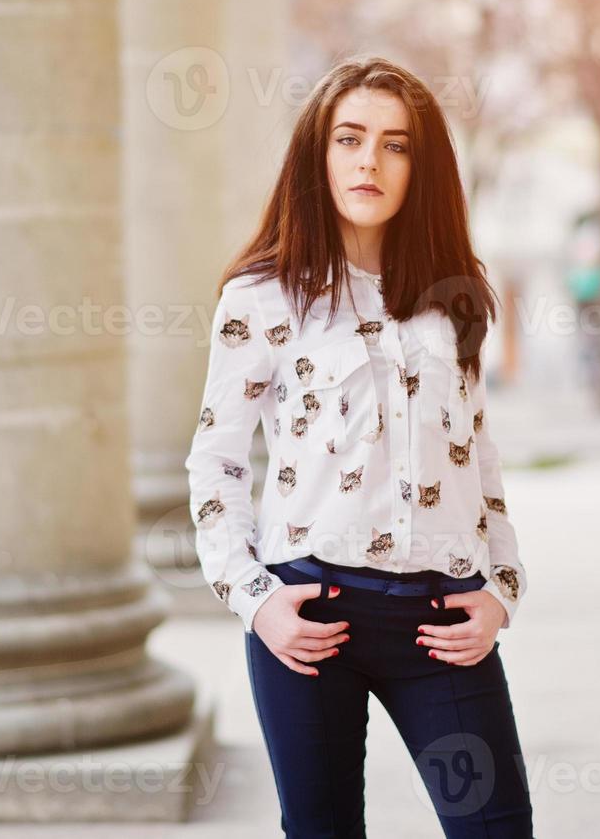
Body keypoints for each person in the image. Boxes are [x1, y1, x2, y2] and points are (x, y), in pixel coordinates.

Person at [184, 55, 534, 838]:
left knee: (496, 829)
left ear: (422, 167)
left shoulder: (456, 297)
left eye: (394, 144)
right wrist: (254, 599)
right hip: (309, 615)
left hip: (438, 623)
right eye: (348, 139)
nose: (368, 160)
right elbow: (217, 461)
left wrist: (501, 592)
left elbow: (478, 458)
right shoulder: (263, 297)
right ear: (318, 153)